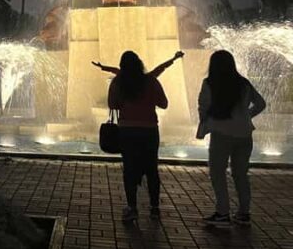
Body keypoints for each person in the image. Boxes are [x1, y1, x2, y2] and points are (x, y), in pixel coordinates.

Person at [197, 50, 266, 227]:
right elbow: (261, 103)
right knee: (240, 174)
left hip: (221, 133)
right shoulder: (243, 83)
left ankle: (222, 212)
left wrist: (206, 123)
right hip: (244, 134)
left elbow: (203, 107)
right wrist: (247, 116)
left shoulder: (210, 83)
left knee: (217, 173)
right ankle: (244, 212)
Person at [108, 50, 168, 222]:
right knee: (151, 169)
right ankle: (155, 208)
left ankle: (132, 207)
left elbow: (112, 104)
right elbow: (164, 104)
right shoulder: (150, 81)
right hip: (149, 130)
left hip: (127, 131)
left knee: (129, 168)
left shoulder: (118, 82)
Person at [93, 50, 184, 78]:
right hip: (147, 122)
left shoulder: (122, 80)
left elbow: (114, 70)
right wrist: (174, 58)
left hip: (126, 122)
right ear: (139, 64)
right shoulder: (148, 80)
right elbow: (161, 67)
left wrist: (102, 67)